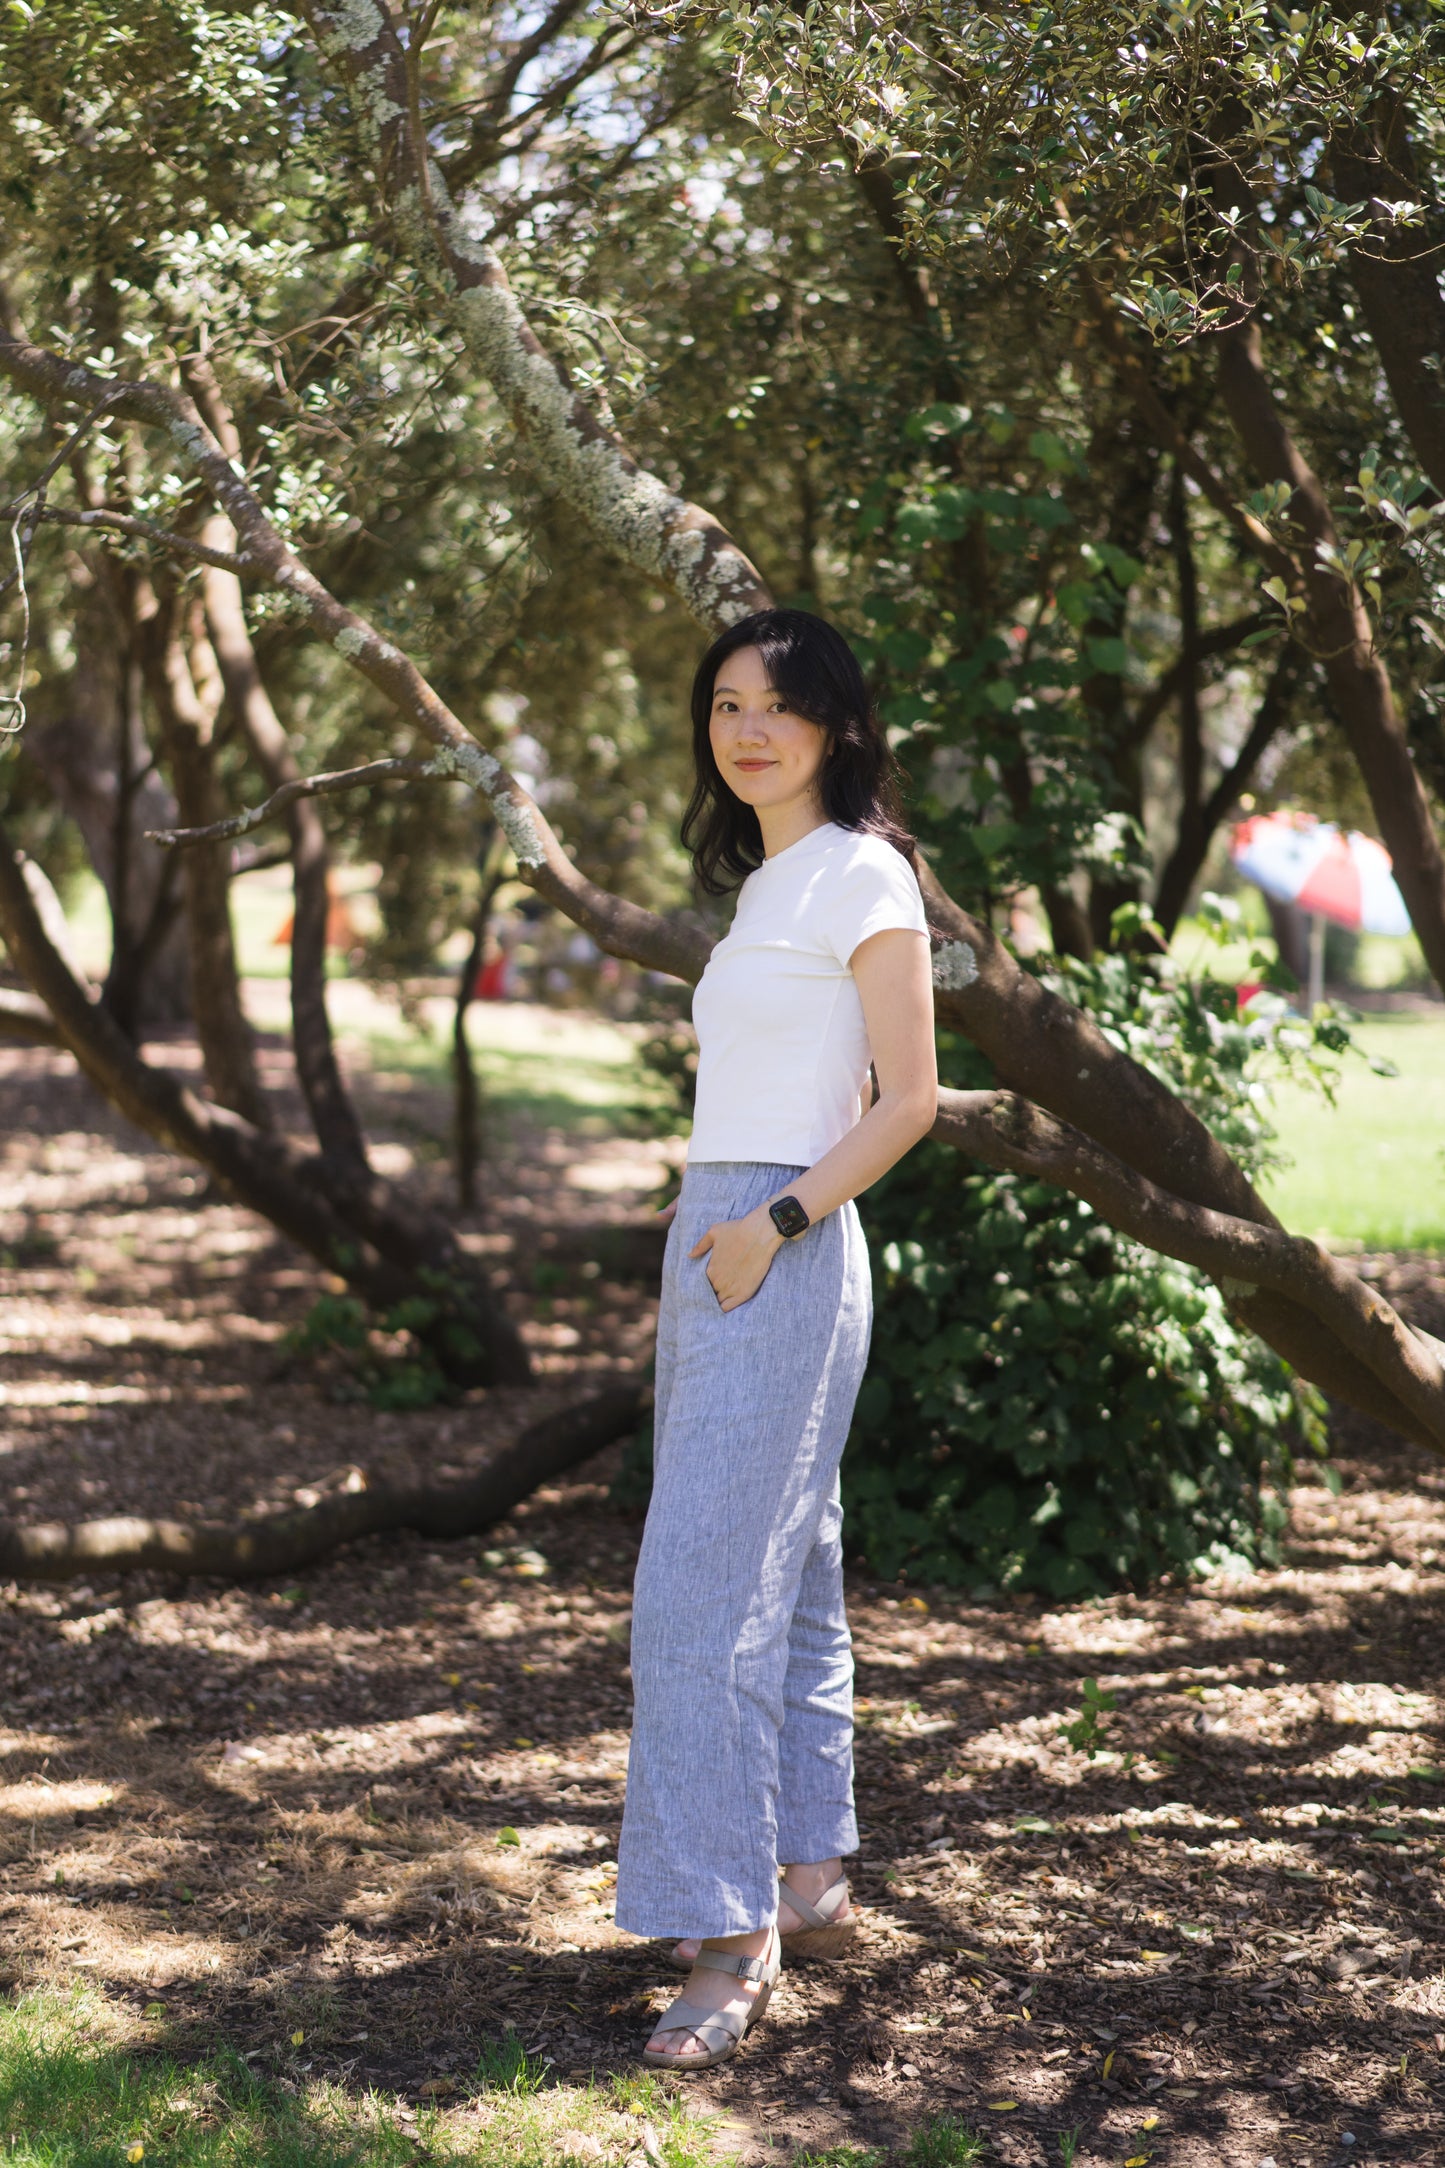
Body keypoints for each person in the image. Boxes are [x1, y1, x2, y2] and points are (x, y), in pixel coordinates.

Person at [615, 608, 939, 2070]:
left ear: (834, 724)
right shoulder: (768, 888)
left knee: (694, 1598)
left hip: (780, 1246)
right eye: (725, 705)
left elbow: (907, 1098)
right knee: (788, 1570)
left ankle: (727, 1933)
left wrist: (775, 1227)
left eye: (778, 706)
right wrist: (713, 1227)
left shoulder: (862, 873)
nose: (747, 729)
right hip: (722, 1235)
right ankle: (804, 1877)